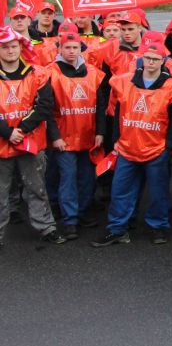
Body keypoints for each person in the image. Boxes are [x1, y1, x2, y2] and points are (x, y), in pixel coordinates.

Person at [92, 37, 172, 247]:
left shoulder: (171, 87)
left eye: (155, 59)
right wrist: (116, 139)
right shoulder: (125, 82)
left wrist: (169, 146)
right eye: (147, 58)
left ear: (162, 61)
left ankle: (158, 227)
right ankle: (117, 229)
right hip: (127, 147)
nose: (151, 62)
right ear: (142, 58)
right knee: (120, 190)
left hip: (156, 148)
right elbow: (118, 112)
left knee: (158, 192)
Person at [0, 27, 64, 247]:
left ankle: (46, 228)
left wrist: (21, 130)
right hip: (2, 143)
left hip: (30, 142)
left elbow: (45, 106)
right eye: (5, 47)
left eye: (13, 46)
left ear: (21, 47)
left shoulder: (38, 73)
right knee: (0, 192)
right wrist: (8, 132)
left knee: (36, 188)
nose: (9, 50)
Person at [44, 24, 106, 240]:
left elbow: (100, 105)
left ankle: (83, 211)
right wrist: (55, 137)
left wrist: (100, 131)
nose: (71, 51)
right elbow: (47, 111)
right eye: (67, 47)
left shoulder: (93, 73)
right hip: (64, 139)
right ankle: (70, 220)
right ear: (60, 49)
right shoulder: (50, 74)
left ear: (81, 49)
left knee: (87, 177)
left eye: (75, 47)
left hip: (89, 136)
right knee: (68, 179)